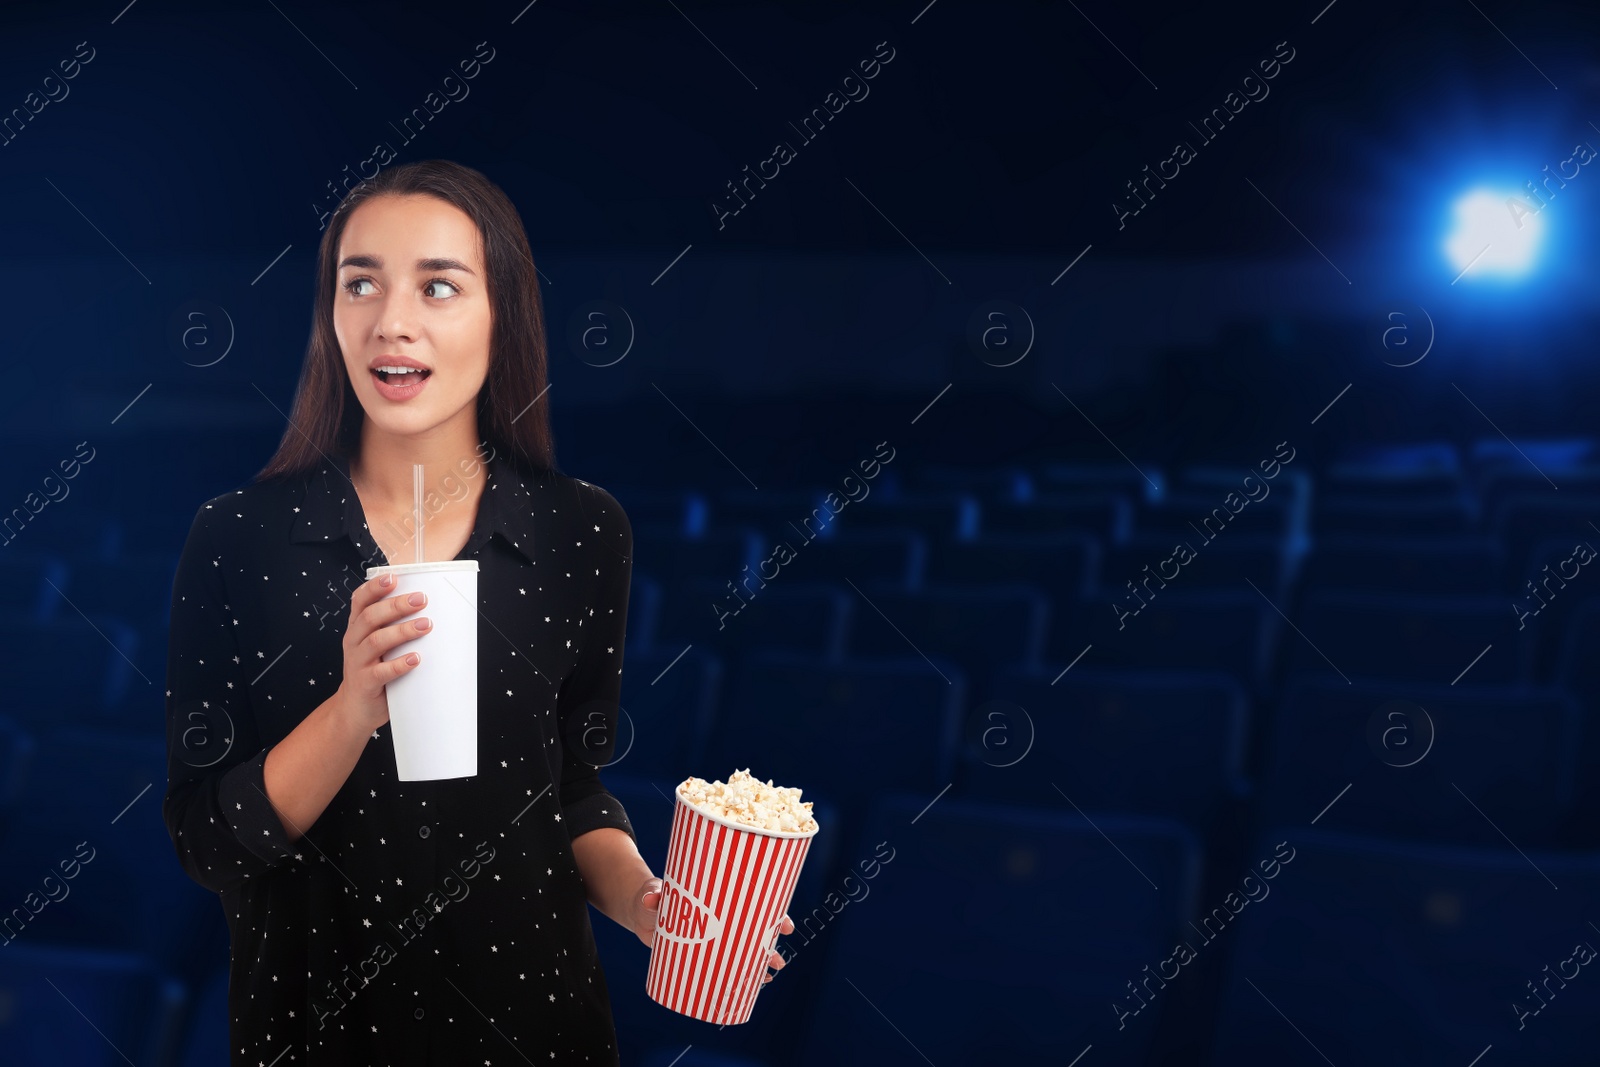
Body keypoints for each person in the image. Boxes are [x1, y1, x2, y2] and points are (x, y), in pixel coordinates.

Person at [161, 159, 791, 1065]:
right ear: (330, 312)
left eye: (440, 285)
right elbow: (206, 842)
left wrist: (652, 909)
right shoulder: (236, 536)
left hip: (541, 1030)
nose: (392, 320)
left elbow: (571, 790)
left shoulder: (582, 528)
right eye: (361, 282)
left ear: (505, 316)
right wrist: (348, 712)